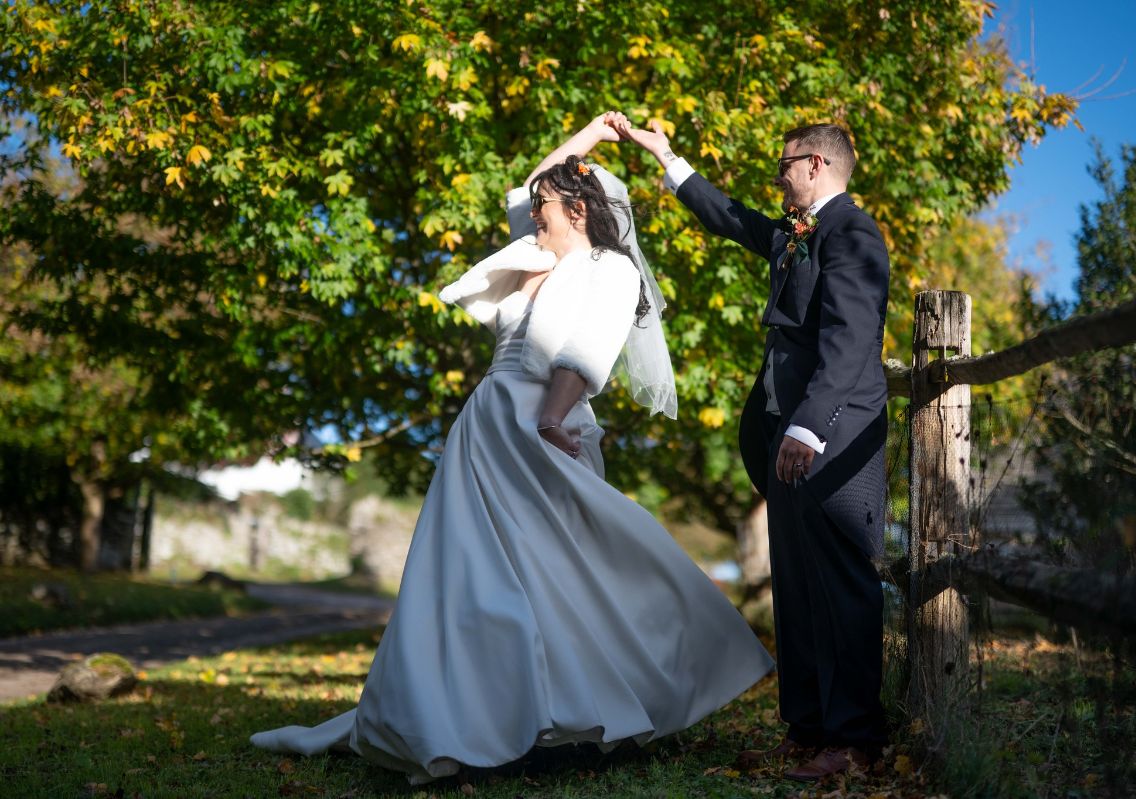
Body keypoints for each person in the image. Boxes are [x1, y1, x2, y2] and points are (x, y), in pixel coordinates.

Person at [249, 115, 774, 785]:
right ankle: (459, 718)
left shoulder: (607, 270)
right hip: (486, 432)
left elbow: (586, 351)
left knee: (564, 579)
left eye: (545, 209)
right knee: (469, 579)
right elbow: (529, 182)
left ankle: (585, 714)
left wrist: (554, 418)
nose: (533, 215)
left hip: (543, 433)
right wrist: (590, 135)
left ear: (579, 210)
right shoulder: (537, 256)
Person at [618, 116, 890, 781]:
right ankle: (806, 730)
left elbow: (851, 341)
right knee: (796, 590)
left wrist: (807, 427)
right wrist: (667, 157)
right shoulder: (798, 233)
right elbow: (731, 217)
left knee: (843, 589)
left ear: (817, 166)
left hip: (833, 442)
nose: (777, 177)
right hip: (785, 442)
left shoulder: (852, 233)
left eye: (784, 165)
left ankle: (853, 741)